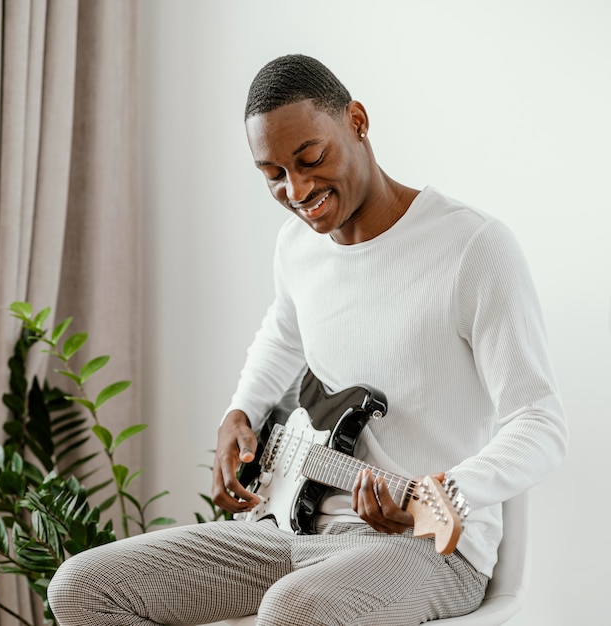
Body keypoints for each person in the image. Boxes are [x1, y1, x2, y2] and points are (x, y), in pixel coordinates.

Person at [48, 54, 568, 626]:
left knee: (293, 612)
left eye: (311, 158)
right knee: (82, 587)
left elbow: (539, 423)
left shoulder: (473, 247)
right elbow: (281, 335)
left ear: (358, 122)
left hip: (426, 550)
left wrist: (446, 491)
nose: (297, 190)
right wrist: (238, 411)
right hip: (289, 528)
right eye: (272, 174)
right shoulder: (297, 248)